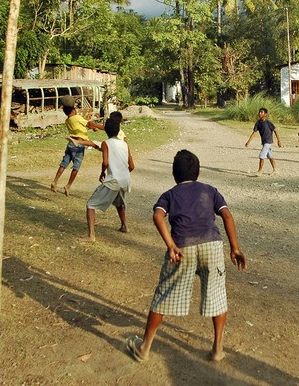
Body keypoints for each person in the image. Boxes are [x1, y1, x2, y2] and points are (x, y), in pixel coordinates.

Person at [126, 150, 247, 363]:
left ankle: (144, 347)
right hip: (212, 245)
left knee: (163, 294)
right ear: (198, 172)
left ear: (174, 174)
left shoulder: (170, 195)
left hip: (183, 248)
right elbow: (227, 215)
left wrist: (171, 245)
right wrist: (234, 248)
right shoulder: (210, 191)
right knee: (217, 295)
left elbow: (158, 215)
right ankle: (218, 348)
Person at [85, 118, 134, 241]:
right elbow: (132, 166)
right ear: (119, 131)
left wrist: (102, 172)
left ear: (105, 130)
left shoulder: (106, 143)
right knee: (119, 203)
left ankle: (91, 236)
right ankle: (125, 226)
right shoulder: (125, 144)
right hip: (125, 179)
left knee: (90, 205)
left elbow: (105, 162)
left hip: (114, 180)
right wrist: (122, 172)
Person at [50, 96, 104, 196]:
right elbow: (90, 124)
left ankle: (55, 181)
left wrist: (91, 128)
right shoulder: (77, 117)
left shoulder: (68, 120)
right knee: (76, 167)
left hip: (70, 143)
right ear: (73, 111)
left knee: (64, 163)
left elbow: (81, 128)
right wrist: (102, 127)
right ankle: (68, 185)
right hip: (78, 144)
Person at [245, 107, 281, 176]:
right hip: (264, 142)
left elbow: (275, 130)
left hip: (268, 141)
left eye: (261, 112)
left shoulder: (268, 122)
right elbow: (254, 133)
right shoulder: (258, 123)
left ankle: (259, 171)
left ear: (265, 114)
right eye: (259, 112)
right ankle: (275, 170)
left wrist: (279, 141)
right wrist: (248, 141)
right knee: (270, 156)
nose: (260, 113)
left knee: (262, 156)